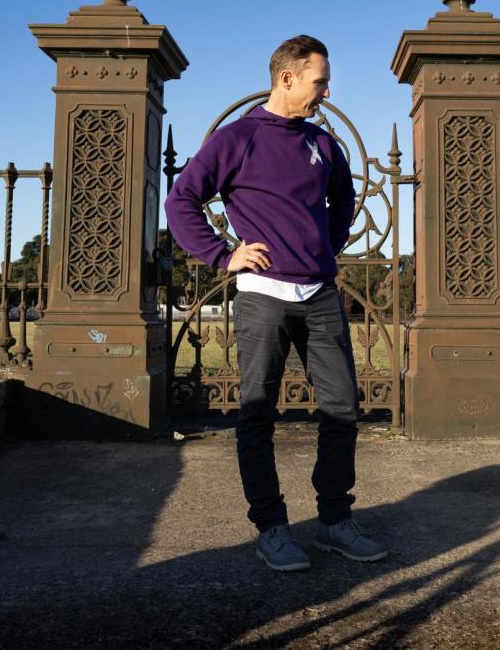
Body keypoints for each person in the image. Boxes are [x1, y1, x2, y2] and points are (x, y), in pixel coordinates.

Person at [164, 35, 387, 572]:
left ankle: (335, 520)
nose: (326, 91)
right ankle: (271, 527)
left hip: (320, 295)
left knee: (341, 410)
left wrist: (326, 246)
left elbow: (343, 201)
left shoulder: (323, 144)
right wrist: (224, 255)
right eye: (319, 81)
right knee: (257, 415)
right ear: (287, 77)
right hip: (263, 298)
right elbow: (181, 201)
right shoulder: (235, 140)